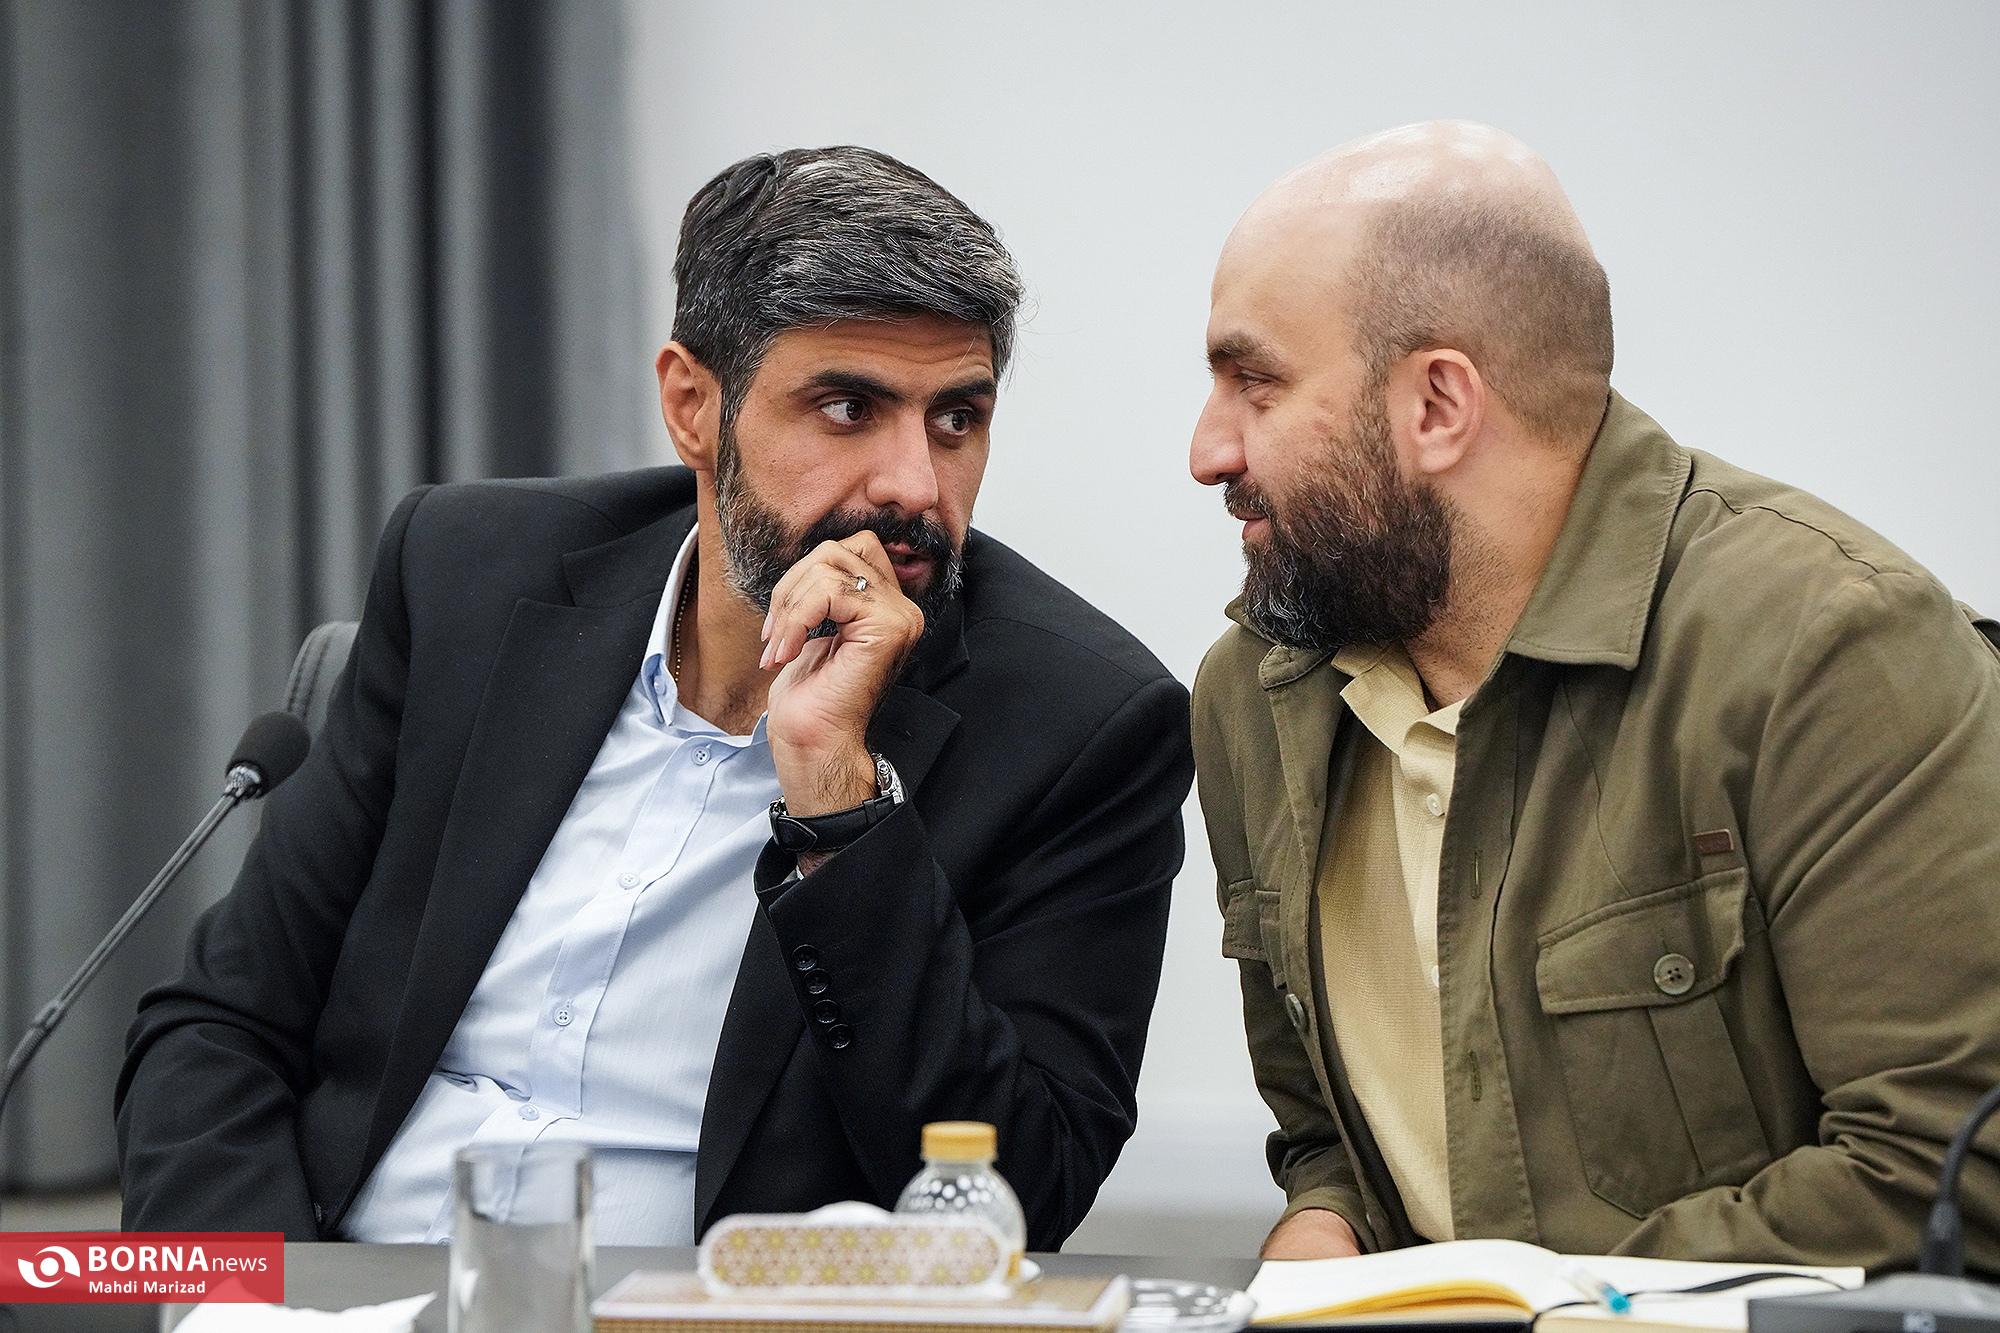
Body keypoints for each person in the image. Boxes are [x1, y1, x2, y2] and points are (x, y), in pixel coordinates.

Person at [118, 146, 1192, 1250]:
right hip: (352, 1288)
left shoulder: (1078, 726)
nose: (914, 484)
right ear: (692, 405)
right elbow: (222, 1024)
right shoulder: (468, 575)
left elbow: (1021, 1186)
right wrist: (251, 1303)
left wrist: (843, 807)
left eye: (956, 419)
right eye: (846, 407)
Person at [1189, 120, 2000, 1268]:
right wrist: (1326, 1220)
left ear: (1436, 406)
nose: (1206, 450)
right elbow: (1330, 1134)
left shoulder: (1828, 650)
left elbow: (1947, 1172)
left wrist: (1539, 1308)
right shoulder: (1253, 695)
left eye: (1254, 384)